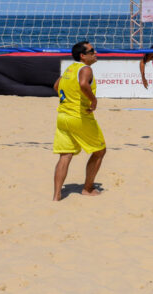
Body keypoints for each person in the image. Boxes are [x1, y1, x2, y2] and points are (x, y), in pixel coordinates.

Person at [52, 41, 106, 201]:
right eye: (92, 51)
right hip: (79, 117)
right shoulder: (85, 69)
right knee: (100, 151)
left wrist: (68, 99)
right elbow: (83, 84)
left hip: (63, 116)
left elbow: (56, 85)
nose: (95, 52)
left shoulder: (70, 68)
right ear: (83, 56)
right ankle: (88, 189)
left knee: (65, 155)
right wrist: (93, 101)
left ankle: (56, 196)